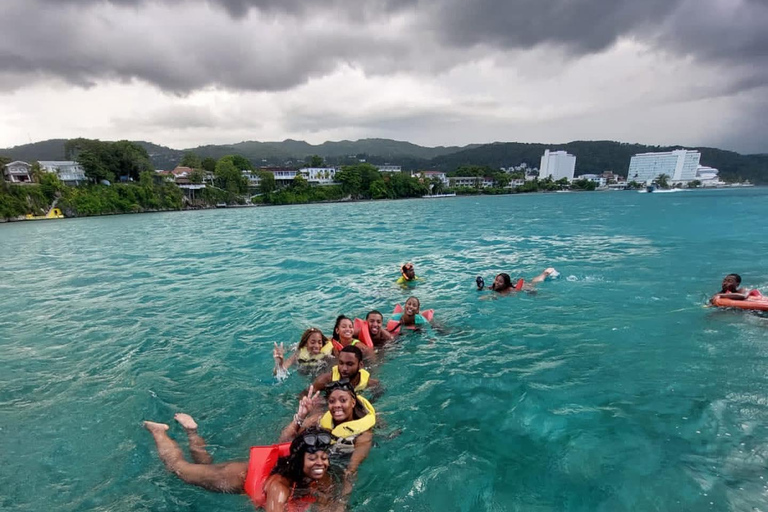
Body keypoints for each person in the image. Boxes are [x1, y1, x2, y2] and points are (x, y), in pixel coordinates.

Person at [143, 414, 338, 511]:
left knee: (205, 464)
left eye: (324, 457)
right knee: (179, 469)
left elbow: (331, 503)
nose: (320, 463)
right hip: (232, 477)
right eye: (312, 458)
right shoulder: (279, 488)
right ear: (299, 461)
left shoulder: (319, 472)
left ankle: (191, 431)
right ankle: (159, 431)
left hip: (251, 472)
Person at [280, 381, 375, 497]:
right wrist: (301, 416)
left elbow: (351, 470)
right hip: (316, 464)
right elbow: (285, 440)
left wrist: (342, 502)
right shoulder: (319, 420)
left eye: (343, 400)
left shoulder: (363, 434)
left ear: (353, 402)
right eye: (332, 401)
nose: (337, 405)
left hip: (338, 468)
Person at [312, 345, 379, 394]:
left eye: (349, 364)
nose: (344, 368)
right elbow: (306, 395)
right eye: (341, 363)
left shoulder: (370, 384)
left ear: (360, 365)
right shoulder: (325, 380)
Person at [490, 268, 557, 293]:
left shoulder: (509, 289)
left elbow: (499, 295)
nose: (497, 283)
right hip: (515, 284)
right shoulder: (495, 286)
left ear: (505, 284)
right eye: (496, 280)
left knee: (533, 282)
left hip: (524, 287)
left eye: (500, 281)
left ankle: (545, 273)